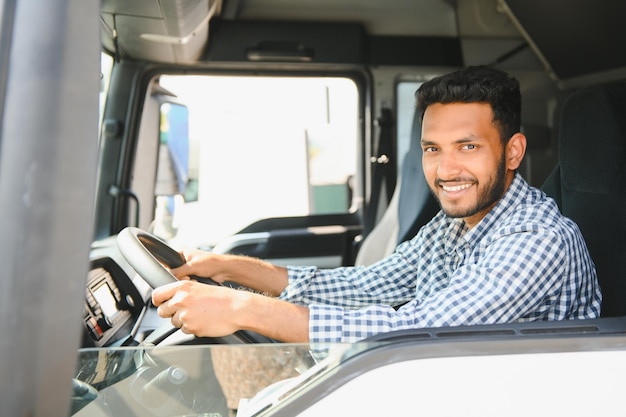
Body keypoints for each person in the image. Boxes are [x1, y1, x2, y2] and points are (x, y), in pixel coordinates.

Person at [152, 65, 602, 345]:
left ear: (513, 152)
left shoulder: (538, 239)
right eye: (431, 149)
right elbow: (364, 285)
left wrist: (240, 310)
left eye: (467, 147)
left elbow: (420, 330)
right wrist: (226, 268)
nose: (445, 170)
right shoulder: (454, 226)